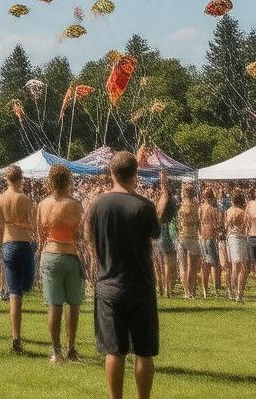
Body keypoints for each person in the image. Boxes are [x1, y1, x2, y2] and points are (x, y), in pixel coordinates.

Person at [88, 151, 163, 399]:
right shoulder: (144, 206)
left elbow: (90, 239)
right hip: (140, 284)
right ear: (135, 174)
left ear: (111, 173)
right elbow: (155, 234)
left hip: (108, 282)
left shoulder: (97, 204)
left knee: (114, 351)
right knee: (144, 351)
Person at [37, 163, 85, 363]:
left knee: (54, 305)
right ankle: (71, 349)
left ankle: (56, 352)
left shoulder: (42, 204)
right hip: (70, 255)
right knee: (73, 305)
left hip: (49, 254)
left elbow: (40, 235)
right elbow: (81, 234)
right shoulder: (75, 204)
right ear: (68, 180)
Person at [0, 166, 35, 350]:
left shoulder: (0, 199)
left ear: (7, 179)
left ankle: (15, 336)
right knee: (20, 291)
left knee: (15, 293)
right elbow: (32, 226)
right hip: (23, 244)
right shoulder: (26, 200)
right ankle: (16, 336)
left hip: (8, 243)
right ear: (20, 179)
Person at [224, 190, 250, 303]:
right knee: (242, 267)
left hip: (231, 238)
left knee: (235, 266)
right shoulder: (242, 212)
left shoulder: (228, 211)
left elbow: (226, 225)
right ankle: (238, 293)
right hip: (241, 237)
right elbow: (247, 226)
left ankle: (234, 291)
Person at [198, 188, 223, 298]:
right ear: (211, 197)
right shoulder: (213, 209)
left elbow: (198, 222)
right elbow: (218, 224)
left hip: (202, 236)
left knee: (205, 264)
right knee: (213, 263)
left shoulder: (200, 208)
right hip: (211, 236)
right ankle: (215, 287)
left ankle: (205, 289)